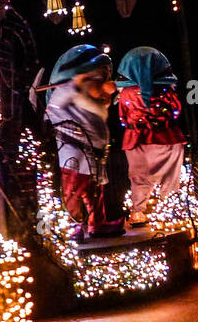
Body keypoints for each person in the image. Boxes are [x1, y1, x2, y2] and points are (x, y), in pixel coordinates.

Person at [43, 44, 124, 239]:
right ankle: (74, 225)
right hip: (74, 152)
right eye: (99, 77)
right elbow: (52, 110)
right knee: (74, 191)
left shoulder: (95, 103)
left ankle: (98, 223)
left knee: (95, 192)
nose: (107, 85)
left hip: (93, 155)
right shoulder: (66, 93)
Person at [116, 46, 187, 227]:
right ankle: (170, 211)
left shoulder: (125, 93)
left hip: (136, 139)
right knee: (170, 177)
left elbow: (122, 115)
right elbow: (176, 110)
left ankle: (138, 212)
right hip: (167, 138)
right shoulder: (168, 91)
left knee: (139, 178)